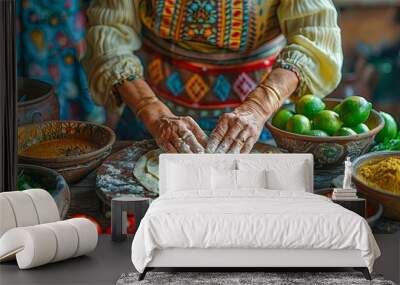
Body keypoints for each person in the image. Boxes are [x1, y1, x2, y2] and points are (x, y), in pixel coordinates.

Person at [82, 0, 342, 153]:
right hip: (152, 121)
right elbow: (109, 33)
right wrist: (152, 112)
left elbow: (314, 35)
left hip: (258, 126)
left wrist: (258, 106)